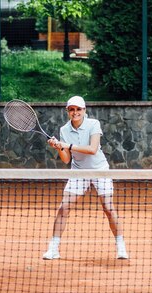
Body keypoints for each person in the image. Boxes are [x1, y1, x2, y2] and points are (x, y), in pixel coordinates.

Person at [42, 95, 128, 261]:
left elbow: (93, 149)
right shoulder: (64, 130)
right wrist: (58, 147)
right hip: (78, 171)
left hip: (100, 170)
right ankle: (53, 248)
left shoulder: (93, 124)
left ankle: (120, 246)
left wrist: (68, 145)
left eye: (78, 109)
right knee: (64, 207)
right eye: (72, 110)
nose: (75, 112)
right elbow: (67, 159)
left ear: (84, 110)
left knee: (108, 208)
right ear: (67, 111)